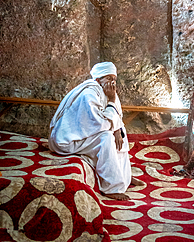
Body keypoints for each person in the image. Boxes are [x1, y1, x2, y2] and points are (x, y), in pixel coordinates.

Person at [48, 61, 142, 200]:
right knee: (106, 138)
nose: (112, 83)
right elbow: (99, 123)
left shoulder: (108, 92)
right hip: (68, 141)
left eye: (114, 79)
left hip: (86, 135)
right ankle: (111, 187)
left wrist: (117, 129)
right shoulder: (89, 93)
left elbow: (116, 117)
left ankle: (124, 176)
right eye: (109, 78)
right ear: (98, 79)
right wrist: (111, 101)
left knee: (121, 133)